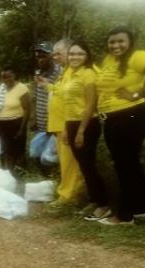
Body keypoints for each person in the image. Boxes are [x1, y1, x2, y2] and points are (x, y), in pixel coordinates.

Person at [95, 26, 145, 225]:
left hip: (131, 116)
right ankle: (144, 209)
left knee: (125, 167)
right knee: (130, 166)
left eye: (121, 41)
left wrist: (138, 94)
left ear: (129, 42)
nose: (116, 45)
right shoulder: (109, 60)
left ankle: (124, 216)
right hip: (113, 118)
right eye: (112, 42)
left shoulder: (138, 56)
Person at [58, 41, 111, 220]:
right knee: (84, 166)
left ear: (86, 56)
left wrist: (81, 131)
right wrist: (67, 128)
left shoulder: (88, 74)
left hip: (87, 124)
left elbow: (90, 105)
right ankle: (94, 201)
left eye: (79, 54)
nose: (75, 57)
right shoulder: (69, 73)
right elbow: (68, 104)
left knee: (89, 166)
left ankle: (104, 205)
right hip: (72, 124)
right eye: (72, 54)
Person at [44, 38, 85, 207]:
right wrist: (48, 86)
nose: (54, 57)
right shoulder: (65, 72)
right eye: (53, 54)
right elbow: (60, 95)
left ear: (70, 52)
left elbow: (77, 101)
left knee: (70, 164)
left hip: (68, 124)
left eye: (58, 53)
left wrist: (69, 126)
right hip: (60, 124)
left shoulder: (77, 72)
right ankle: (67, 192)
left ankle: (68, 196)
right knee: (65, 162)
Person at [32, 41, 63, 172]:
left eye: (44, 55)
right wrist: (34, 118)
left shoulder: (59, 72)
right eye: (38, 55)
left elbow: (60, 96)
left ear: (51, 56)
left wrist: (55, 124)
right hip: (41, 122)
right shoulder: (39, 72)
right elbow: (37, 96)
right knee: (35, 153)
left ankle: (56, 179)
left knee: (50, 157)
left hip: (54, 123)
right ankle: (45, 179)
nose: (40, 59)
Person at [0, 66, 32, 176]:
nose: (6, 79)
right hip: (3, 124)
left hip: (17, 123)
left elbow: (27, 109)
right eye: (4, 77)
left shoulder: (21, 88)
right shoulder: (1, 88)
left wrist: (22, 129)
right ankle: (9, 175)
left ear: (14, 75)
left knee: (18, 151)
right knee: (6, 150)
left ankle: (20, 174)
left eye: (9, 76)